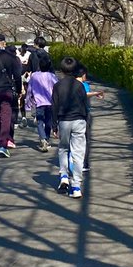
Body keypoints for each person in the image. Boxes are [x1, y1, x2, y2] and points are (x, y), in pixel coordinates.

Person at [51, 55, 89, 198]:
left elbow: (54, 106)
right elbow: (85, 103)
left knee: (63, 149)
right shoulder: (79, 85)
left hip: (64, 120)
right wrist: (85, 119)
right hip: (79, 119)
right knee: (78, 153)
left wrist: (54, 125)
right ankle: (76, 186)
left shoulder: (57, 86)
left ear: (61, 70)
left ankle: (64, 177)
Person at [26, 49, 57, 152]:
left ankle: (42, 138)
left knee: (40, 122)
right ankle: (47, 138)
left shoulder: (34, 75)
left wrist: (29, 101)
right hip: (50, 102)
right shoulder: (52, 76)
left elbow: (30, 89)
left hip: (39, 102)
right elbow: (57, 88)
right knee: (48, 121)